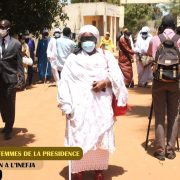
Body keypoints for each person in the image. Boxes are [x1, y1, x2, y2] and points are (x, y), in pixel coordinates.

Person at [57, 25, 128, 180]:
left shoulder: (106, 55)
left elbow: (118, 77)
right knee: (78, 137)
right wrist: (66, 104)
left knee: (100, 138)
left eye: (90, 38)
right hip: (79, 108)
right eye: (84, 38)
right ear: (80, 40)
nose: (87, 41)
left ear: (96, 39)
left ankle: (98, 169)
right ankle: (78, 170)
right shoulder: (73, 58)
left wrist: (106, 82)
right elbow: (64, 83)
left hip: (100, 106)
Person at [150, 14, 180, 160]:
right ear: (174, 26)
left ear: (162, 25)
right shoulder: (179, 39)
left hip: (159, 82)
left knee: (160, 115)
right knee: (174, 115)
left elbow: (152, 60)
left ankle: (160, 150)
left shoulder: (155, 39)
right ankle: (170, 149)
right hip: (175, 82)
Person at [0, 19, 25, 140]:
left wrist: (21, 80)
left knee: (10, 104)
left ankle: (9, 127)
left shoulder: (16, 44)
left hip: (10, 78)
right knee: (2, 104)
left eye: (3, 27)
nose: (1, 29)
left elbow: (20, 64)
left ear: (8, 29)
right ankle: (6, 122)